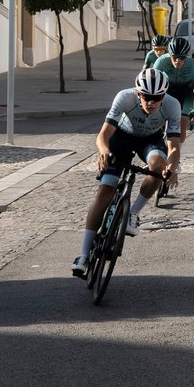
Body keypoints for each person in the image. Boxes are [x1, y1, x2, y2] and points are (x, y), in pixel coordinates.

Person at [72, 69, 182, 276]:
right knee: (105, 191)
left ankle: (132, 213)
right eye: (147, 97)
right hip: (121, 137)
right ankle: (84, 255)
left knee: (158, 169)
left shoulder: (172, 105)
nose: (152, 102)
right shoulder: (124, 97)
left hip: (150, 140)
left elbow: (174, 146)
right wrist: (104, 151)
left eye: (157, 97)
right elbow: (103, 135)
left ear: (164, 95)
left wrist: (171, 167)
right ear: (138, 93)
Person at [152, 37, 194, 143]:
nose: (178, 61)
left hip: (187, 94)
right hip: (167, 91)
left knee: (183, 123)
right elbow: (152, 85)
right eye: (174, 57)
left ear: (186, 55)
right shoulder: (161, 61)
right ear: (169, 54)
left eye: (182, 57)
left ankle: (176, 148)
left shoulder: (193, 66)